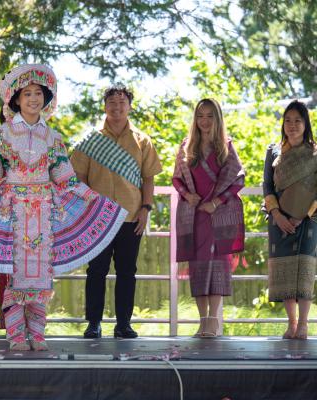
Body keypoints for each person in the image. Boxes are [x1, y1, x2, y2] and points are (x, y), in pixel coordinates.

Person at [0, 64, 127, 351]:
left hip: (45, 211)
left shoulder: (53, 138)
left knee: (42, 273)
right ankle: (16, 335)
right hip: (12, 212)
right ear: (16, 100)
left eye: (38, 93)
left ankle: (37, 333)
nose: (33, 99)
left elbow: (65, 178)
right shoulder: (3, 134)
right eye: (27, 94)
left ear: (45, 98)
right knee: (14, 274)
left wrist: (92, 198)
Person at [71, 85, 162, 339]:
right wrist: (85, 209)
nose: (117, 106)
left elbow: (148, 179)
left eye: (122, 102)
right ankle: (93, 324)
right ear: (104, 106)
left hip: (130, 216)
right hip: (97, 217)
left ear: (130, 106)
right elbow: (78, 178)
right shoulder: (90, 140)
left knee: (126, 272)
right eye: (111, 101)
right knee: (96, 271)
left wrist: (146, 208)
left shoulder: (142, 141)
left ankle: (124, 324)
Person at [172, 98, 245, 338]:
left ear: (217, 118)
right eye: (200, 116)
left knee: (217, 267)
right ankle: (202, 322)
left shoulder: (226, 146)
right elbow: (176, 179)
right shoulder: (186, 146)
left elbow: (238, 179)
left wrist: (217, 202)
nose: (204, 121)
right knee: (198, 267)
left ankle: (213, 321)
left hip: (218, 216)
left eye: (209, 116)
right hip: (194, 217)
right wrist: (188, 196)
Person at [263, 100, 317, 340]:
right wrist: (277, 215)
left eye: (297, 121)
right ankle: (292, 323)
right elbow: (267, 186)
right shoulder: (274, 152)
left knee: (304, 269)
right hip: (279, 221)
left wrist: (301, 215)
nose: (292, 125)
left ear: (306, 124)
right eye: (288, 121)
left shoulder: (315, 153)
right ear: (282, 124)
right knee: (284, 269)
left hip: (308, 219)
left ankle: (304, 324)